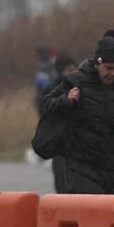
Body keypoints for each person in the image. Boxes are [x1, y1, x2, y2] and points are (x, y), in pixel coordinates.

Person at [40, 30, 114, 195]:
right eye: (109, 68)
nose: (113, 73)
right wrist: (66, 99)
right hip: (81, 166)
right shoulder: (76, 80)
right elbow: (47, 104)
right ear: (98, 63)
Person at [46, 55, 77, 194]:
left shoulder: (81, 88)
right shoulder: (52, 90)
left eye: (74, 69)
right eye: (69, 70)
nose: (73, 72)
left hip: (77, 142)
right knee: (61, 179)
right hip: (59, 142)